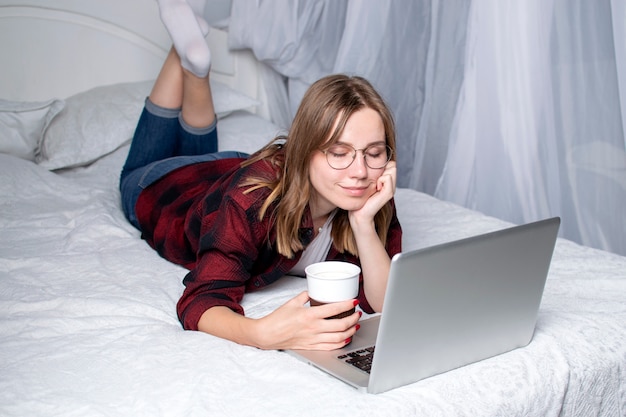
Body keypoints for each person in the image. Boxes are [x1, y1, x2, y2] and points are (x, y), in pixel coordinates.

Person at [119, 0, 402, 351]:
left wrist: (363, 224)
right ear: (304, 149)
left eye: (374, 152)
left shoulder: (368, 188)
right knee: (139, 171)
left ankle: (193, 61)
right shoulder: (250, 201)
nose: (360, 171)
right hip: (166, 186)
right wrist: (262, 334)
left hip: (228, 172)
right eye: (339, 153)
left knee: (204, 155)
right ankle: (185, 59)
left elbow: (385, 302)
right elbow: (200, 301)